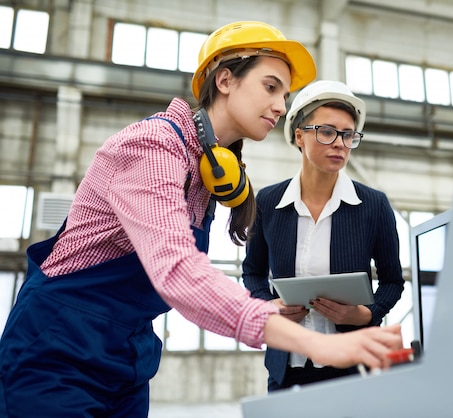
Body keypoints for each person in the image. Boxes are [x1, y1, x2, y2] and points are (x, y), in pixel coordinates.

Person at [0, 22, 402, 417]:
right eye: (270, 87)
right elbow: (177, 271)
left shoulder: (207, 170)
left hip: (125, 355)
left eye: (285, 93)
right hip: (58, 347)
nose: (281, 106)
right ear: (225, 80)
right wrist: (317, 343)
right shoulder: (153, 147)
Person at [242, 80, 406, 391]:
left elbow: (392, 281)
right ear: (299, 135)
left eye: (348, 135)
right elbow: (252, 273)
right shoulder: (268, 202)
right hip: (287, 367)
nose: (340, 143)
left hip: (353, 367)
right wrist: (268, 309)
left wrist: (365, 314)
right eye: (327, 132)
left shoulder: (372, 206)